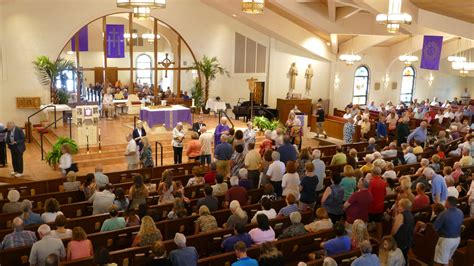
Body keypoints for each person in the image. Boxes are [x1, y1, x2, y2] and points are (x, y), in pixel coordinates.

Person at [432, 196, 464, 266]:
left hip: (446, 240)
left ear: (448, 203)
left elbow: (435, 228)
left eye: (446, 201)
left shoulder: (444, 214)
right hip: (457, 239)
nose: (445, 202)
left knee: (438, 261)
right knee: (448, 259)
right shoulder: (460, 212)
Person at [368, 167, 386, 239]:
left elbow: (368, 195)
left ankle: (369, 239)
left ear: (372, 173)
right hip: (380, 206)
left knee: (368, 223)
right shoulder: (383, 182)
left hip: (371, 207)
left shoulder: (370, 182)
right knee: (379, 222)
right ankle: (379, 238)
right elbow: (384, 194)